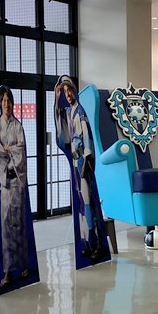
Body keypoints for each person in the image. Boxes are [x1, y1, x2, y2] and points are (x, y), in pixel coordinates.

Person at [53, 75, 108, 263]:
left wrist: (85, 161)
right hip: (76, 161)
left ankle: (95, 243)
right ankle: (87, 242)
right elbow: (59, 117)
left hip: (83, 161)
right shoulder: (69, 111)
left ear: (74, 91)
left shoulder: (80, 112)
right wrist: (56, 98)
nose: (67, 94)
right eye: (65, 92)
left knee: (87, 201)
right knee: (82, 203)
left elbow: (86, 138)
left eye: (69, 90)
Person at [0, 86, 34, 288]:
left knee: (19, 222)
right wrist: (10, 149)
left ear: (13, 103)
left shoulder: (18, 126)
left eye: (9, 100)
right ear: (0, 103)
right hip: (6, 183)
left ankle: (23, 265)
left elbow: (21, 150)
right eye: (3, 100)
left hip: (17, 180)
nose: (6, 104)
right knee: (6, 224)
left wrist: (9, 149)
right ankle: (8, 269)